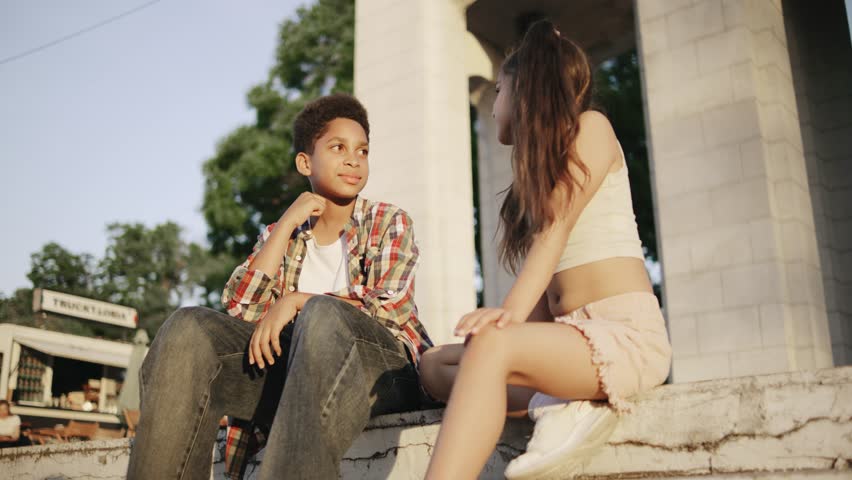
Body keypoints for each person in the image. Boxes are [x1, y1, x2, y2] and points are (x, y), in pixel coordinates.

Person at [127, 94, 433, 480]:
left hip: (382, 374)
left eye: (363, 150)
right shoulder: (281, 235)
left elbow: (391, 307)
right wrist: (287, 223)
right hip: (295, 379)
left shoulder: (389, 221)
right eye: (338, 147)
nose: (354, 159)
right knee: (188, 327)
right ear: (305, 161)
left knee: (321, 315)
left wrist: (298, 301)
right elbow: (241, 312)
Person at [421, 20, 672, 480]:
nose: (493, 105)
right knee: (433, 365)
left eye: (499, 89)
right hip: (568, 340)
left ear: (525, 91)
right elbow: (545, 293)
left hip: (624, 336)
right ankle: (566, 397)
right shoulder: (531, 185)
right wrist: (499, 340)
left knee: (491, 345)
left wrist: (504, 322)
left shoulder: (592, 127)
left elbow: (555, 230)